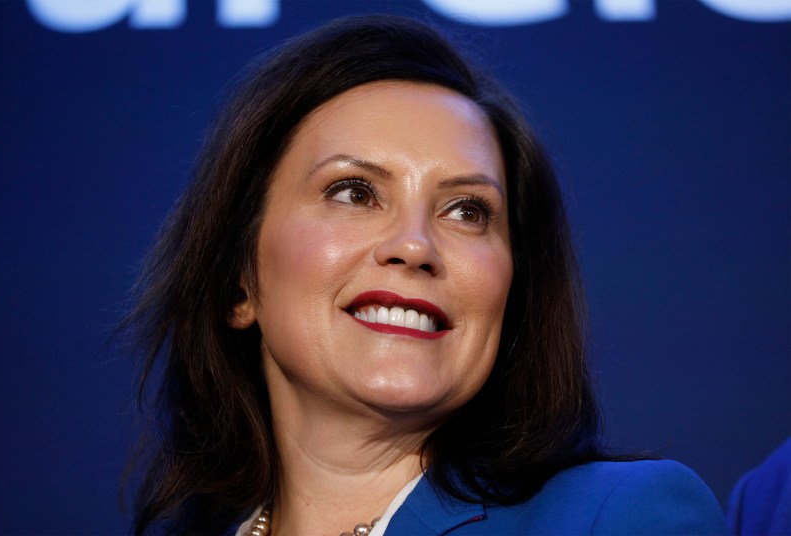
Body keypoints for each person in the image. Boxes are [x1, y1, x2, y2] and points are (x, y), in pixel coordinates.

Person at [123, 15, 726, 535]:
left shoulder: (616, 518)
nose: (415, 245)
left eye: (468, 211)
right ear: (238, 280)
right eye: (354, 192)